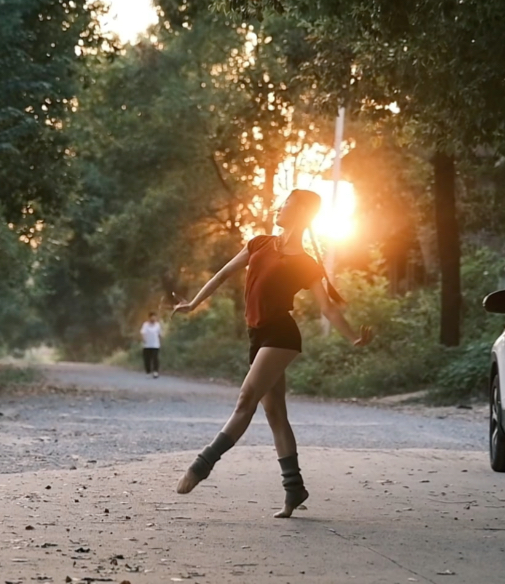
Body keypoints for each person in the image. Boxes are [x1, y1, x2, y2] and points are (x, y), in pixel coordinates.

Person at [171, 189, 374, 518]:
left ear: (301, 213)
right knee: (275, 414)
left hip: (281, 335)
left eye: (287, 205)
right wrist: (193, 303)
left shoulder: (305, 263)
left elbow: (328, 308)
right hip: (258, 336)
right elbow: (223, 274)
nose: (279, 208)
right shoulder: (259, 244)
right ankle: (294, 489)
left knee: (245, 399)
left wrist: (353, 337)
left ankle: (201, 465)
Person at [140, 312, 162, 378]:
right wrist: (144, 339)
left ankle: (155, 372)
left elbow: (160, 334)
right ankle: (148, 371)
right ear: (149, 318)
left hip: (155, 345)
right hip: (147, 345)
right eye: (152, 317)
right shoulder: (145, 325)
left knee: (155, 359)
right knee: (147, 359)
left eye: (154, 317)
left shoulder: (157, 325)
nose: (153, 318)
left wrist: (161, 341)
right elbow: (143, 333)